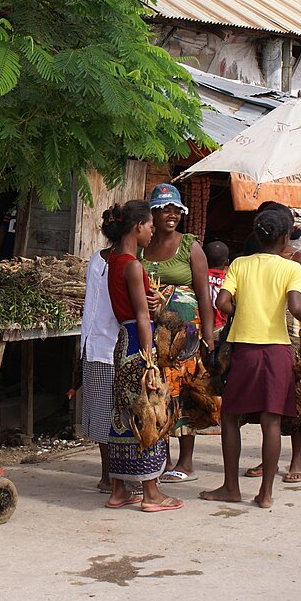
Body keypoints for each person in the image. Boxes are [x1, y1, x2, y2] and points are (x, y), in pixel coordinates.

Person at [201, 209, 301, 509]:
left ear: (256, 236)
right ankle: (265, 493)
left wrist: (243, 312)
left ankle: (231, 488)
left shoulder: (240, 264)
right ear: (287, 237)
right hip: (277, 350)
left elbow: (222, 302)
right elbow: (297, 308)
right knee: (271, 421)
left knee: (231, 417)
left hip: (244, 349)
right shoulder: (291, 268)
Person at [104, 200, 182, 512]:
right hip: (138, 344)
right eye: (150, 225)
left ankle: (119, 490)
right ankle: (151, 494)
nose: (152, 231)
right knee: (149, 411)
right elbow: (142, 316)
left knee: (123, 414)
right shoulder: (134, 265)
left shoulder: (113, 259)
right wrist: (151, 362)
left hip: (121, 344)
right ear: (138, 227)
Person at [140, 183, 214, 484]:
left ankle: (186, 461)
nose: (171, 215)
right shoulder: (143, 247)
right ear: (153, 214)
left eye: (175, 210)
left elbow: (204, 296)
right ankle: (163, 457)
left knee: (185, 392)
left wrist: (208, 338)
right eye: (164, 210)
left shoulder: (190, 246)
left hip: (186, 335)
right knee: (159, 391)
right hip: (155, 333)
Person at [242, 202, 301, 485]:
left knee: (296, 399)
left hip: (293, 335)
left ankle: (296, 457)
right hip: (264, 333)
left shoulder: (298, 260)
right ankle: (269, 457)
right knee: (269, 401)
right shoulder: (255, 254)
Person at [80, 207, 126, 493]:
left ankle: (109, 475)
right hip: (111, 346)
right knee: (115, 416)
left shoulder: (98, 259)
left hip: (95, 345)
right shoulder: (126, 263)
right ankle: (113, 476)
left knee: (102, 414)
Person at [204, 241, 229, 330]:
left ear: (204, 259)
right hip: (220, 327)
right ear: (227, 262)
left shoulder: (199, 278)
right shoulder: (229, 281)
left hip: (200, 325)